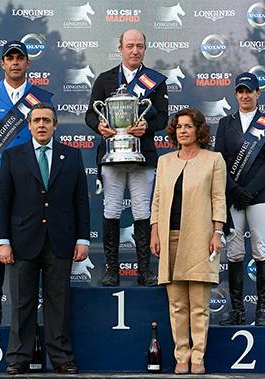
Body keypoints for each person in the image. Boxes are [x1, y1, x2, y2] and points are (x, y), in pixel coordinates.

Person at [0, 103, 90, 375]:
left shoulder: (71, 156)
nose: (41, 125)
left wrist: (82, 238)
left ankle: (61, 359)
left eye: (47, 120)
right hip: (22, 241)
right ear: (29, 125)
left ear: (55, 125)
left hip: (60, 240)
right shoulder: (13, 156)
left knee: (58, 304)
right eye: (36, 120)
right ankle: (18, 357)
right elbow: (2, 201)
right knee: (22, 302)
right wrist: (2, 240)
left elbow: (81, 201)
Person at [0, 40, 53, 325]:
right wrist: (4, 167)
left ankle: (35, 304)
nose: (16, 62)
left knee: (33, 239)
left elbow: (46, 137)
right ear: (2, 64)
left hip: (34, 179)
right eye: (10, 58)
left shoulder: (39, 97)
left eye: (21, 58)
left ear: (28, 64)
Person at [85, 29, 168, 287]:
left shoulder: (155, 81)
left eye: (140, 46)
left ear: (145, 49)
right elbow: (90, 114)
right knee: (111, 209)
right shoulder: (105, 79)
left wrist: (148, 128)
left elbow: (163, 118)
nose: (135, 50)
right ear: (120, 48)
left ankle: (145, 270)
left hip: (142, 154)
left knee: (143, 210)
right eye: (130, 45)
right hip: (112, 153)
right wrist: (100, 127)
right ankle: (112, 270)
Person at [150, 108, 226, 374]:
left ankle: (197, 357)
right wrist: (154, 231)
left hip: (200, 238)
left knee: (199, 306)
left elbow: (218, 198)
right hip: (169, 238)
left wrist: (217, 232)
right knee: (177, 305)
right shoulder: (165, 161)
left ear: (199, 131)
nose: (182, 130)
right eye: (179, 126)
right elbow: (157, 199)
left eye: (188, 126)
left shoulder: (214, 160)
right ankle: (181, 355)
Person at [215, 72, 265, 326]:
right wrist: (235, 190)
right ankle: (237, 311)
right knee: (233, 252)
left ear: (258, 94)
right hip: (233, 196)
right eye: (241, 91)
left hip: (261, 196)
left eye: (249, 91)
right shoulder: (225, 123)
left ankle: (262, 310)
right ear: (235, 94)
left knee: (260, 248)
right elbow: (219, 160)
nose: (245, 95)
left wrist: (249, 192)